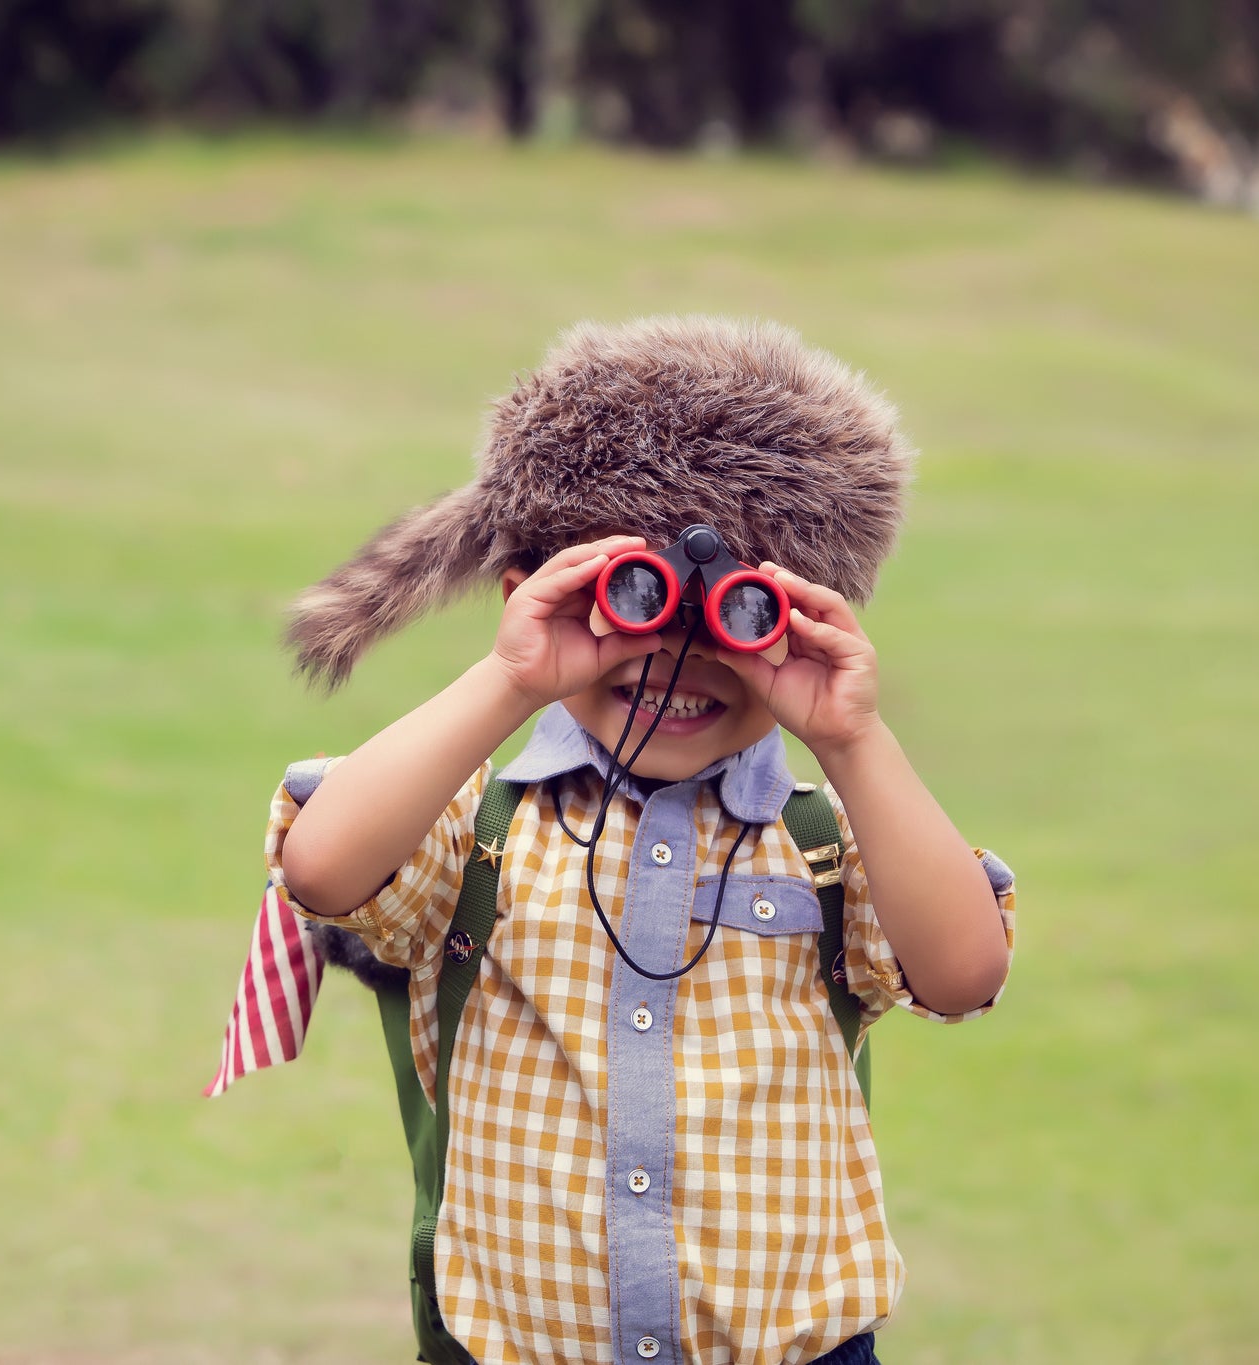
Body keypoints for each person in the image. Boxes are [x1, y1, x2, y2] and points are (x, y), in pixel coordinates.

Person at [252, 317, 1017, 1365]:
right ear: (533, 590)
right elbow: (323, 865)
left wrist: (851, 736)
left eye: (740, 618)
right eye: (637, 601)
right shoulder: (478, 833)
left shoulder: (827, 845)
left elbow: (965, 972)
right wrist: (514, 676)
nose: (682, 665)